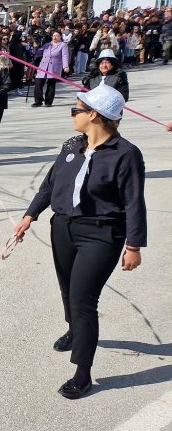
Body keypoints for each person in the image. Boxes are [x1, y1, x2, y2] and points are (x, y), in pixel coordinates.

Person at [13, 84, 146, 400]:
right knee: (66, 288)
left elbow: (133, 202)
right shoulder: (71, 145)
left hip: (101, 235)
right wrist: (29, 216)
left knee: (83, 300)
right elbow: (49, 185)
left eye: (77, 109)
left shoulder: (126, 154)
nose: (72, 114)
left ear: (94, 115)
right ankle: (74, 330)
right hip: (63, 229)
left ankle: (83, 373)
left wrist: (134, 245)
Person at [32, 31, 70, 108]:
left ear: (60, 37)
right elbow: (39, 53)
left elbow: (65, 56)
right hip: (43, 65)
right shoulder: (47, 44)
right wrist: (36, 47)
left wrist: (65, 66)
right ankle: (38, 101)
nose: (55, 37)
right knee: (38, 83)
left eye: (57, 36)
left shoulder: (63, 45)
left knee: (51, 84)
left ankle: (48, 101)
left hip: (54, 66)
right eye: (53, 35)